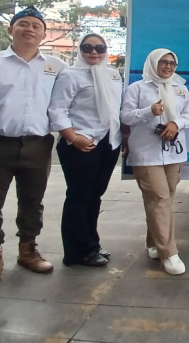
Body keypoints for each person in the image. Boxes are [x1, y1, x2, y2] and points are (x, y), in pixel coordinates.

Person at [0, 6, 67, 288]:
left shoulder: (57, 67)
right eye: (23, 23)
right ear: (11, 29)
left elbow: (64, 104)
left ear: (44, 34)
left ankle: (28, 249)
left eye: (36, 25)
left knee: (33, 201)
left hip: (38, 144)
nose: (30, 29)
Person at [48, 33, 123, 268]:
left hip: (108, 143)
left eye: (100, 48)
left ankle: (91, 243)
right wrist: (72, 137)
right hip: (80, 144)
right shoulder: (71, 74)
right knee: (79, 197)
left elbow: (116, 109)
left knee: (94, 196)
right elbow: (57, 109)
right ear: (80, 49)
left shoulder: (112, 75)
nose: (94, 52)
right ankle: (76, 252)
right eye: (88, 47)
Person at [121, 48, 189, 275]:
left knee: (164, 197)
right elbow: (125, 116)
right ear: (153, 63)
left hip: (173, 152)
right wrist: (148, 111)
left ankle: (153, 242)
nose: (168, 66)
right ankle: (169, 253)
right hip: (147, 153)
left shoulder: (180, 88)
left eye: (172, 63)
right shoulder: (138, 88)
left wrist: (176, 124)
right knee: (160, 197)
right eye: (163, 62)